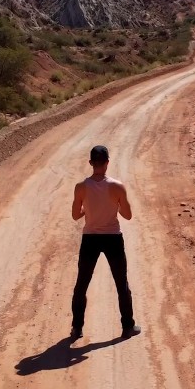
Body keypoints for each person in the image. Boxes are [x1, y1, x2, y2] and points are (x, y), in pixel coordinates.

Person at [70, 145, 139, 340]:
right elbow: (128, 215)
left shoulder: (81, 187)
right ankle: (128, 327)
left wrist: (89, 210)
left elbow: (76, 215)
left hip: (90, 238)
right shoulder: (117, 187)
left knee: (81, 284)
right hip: (113, 238)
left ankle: (77, 328)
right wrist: (113, 205)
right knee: (121, 283)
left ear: (91, 163)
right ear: (107, 163)